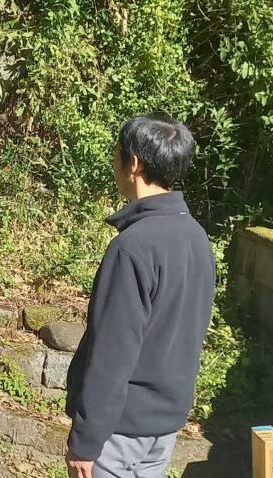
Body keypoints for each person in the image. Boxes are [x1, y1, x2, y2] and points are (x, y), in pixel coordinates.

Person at [65, 114, 215, 478]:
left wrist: (85, 440)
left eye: (115, 152)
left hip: (120, 430)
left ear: (133, 163)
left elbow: (113, 351)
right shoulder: (197, 239)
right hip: (164, 426)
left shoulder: (133, 247)